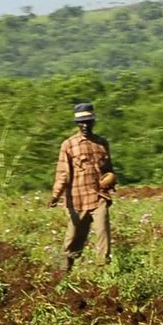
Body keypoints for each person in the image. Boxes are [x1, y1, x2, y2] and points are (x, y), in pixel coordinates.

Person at [49, 101, 115, 272]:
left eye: (88, 121)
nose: (85, 125)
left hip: (99, 197)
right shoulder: (69, 145)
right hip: (77, 200)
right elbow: (63, 172)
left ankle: (103, 271)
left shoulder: (101, 143)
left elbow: (108, 169)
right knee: (74, 238)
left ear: (93, 122)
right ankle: (64, 271)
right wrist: (56, 195)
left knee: (103, 234)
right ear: (77, 124)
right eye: (81, 122)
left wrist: (110, 180)